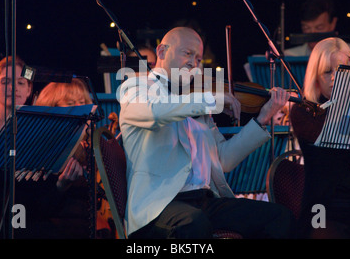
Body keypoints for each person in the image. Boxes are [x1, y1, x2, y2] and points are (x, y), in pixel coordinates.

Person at [119, 26, 295, 239]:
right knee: (193, 223)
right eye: (187, 53)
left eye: (199, 59)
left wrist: (262, 118)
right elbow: (154, 112)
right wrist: (210, 100)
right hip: (158, 205)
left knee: (279, 217)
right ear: (162, 52)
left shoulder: (198, 102)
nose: (194, 63)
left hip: (204, 201)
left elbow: (224, 160)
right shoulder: (136, 87)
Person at [0, 56, 83, 239]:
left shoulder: (40, 134)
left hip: (26, 226)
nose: (13, 87)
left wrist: (61, 185)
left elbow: (43, 204)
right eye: (6, 81)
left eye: (21, 82)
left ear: (29, 90)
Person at [289, 37, 350, 238]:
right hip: (324, 205)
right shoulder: (304, 111)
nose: (336, 77)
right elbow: (333, 150)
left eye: (343, 69)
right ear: (316, 76)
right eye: (328, 71)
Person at [34, 78, 115, 238]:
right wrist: (61, 186)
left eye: (82, 102)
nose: (81, 109)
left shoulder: (92, 145)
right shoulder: (40, 148)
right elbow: (35, 208)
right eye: (71, 104)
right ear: (51, 109)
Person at [284, 0, 350, 68]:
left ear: (333, 23)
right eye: (307, 28)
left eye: (319, 27)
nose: (313, 33)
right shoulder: (289, 57)